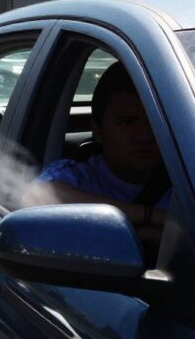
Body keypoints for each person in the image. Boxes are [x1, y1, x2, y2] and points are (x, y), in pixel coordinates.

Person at [21, 62, 171, 239]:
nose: (145, 136)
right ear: (97, 130)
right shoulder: (78, 178)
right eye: (128, 122)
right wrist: (153, 218)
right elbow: (35, 197)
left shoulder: (192, 175)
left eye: (155, 122)